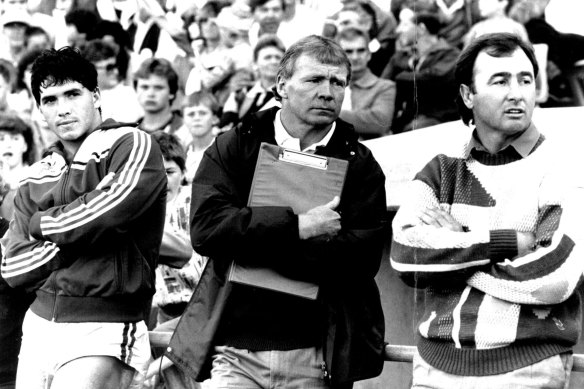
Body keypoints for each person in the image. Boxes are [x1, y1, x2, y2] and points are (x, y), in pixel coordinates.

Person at [165, 34, 387, 389]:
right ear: (281, 85)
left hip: (315, 355)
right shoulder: (236, 143)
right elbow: (207, 230)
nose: (328, 91)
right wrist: (297, 227)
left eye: (338, 82)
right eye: (314, 79)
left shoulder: (359, 164)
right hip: (234, 351)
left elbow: (360, 261)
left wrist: (254, 247)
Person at [390, 33, 584, 388]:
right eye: (500, 80)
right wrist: (509, 244)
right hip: (434, 368)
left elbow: (553, 279)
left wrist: (454, 250)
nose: (517, 93)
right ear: (468, 95)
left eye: (526, 79)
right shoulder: (442, 168)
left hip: (525, 370)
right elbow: (405, 255)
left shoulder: (564, 167)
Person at [0, 46, 167, 389]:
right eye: (50, 100)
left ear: (95, 95)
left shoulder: (132, 142)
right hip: (37, 324)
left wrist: (42, 225)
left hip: (106, 325)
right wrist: (84, 228)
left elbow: (109, 214)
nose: (63, 109)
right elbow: (13, 268)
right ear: (40, 110)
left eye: (73, 94)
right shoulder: (35, 175)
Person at [382, 12, 460, 132]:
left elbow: (434, 78)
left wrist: (401, 76)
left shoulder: (450, 54)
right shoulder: (403, 56)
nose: (398, 30)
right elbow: (383, 83)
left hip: (440, 119)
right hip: (408, 118)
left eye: (405, 25)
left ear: (421, 29)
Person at [337, 27, 395, 139]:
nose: (355, 57)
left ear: (369, 54)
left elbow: (381, 122)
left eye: (361, 50)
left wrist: (331, 113)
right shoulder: (328, 86)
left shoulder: (384, 87)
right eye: (349, 51)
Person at [219, 34, 284, 130]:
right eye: (267, 57)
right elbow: (225, 126)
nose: (274, 61)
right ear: (255, 64)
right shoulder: (240, 93)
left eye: (278, 58)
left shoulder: (287, 96)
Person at [173, 91, 219, 183]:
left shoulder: (221, 149)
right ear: (183, 120)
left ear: (214, 118)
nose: (197, 118)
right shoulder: (182, 154)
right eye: (191, 114)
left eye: (202, 113)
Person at [134, 57, 183, 134]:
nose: (150, 94)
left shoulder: (186, 130)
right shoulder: (130, 132)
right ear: (136, 89)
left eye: (158, 88)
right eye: (144, 87)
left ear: (172, 93)